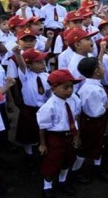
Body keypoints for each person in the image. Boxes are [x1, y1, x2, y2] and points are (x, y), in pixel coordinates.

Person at [37, 69, 82, 197]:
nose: (70, 90)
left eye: (71, 87)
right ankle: (47, 186)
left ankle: (62, 181)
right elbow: (42, 127)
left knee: (68, 159)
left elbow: (76, 117)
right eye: (65, 87)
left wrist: (77, 135)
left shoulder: (74, 99)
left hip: (70, 134)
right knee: (52, 162)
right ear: (53, 89)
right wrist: (43, 144)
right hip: (55, 137)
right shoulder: (49, 106)